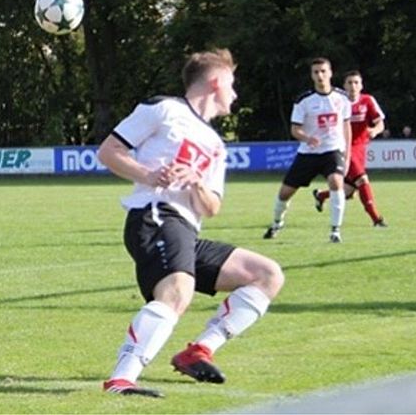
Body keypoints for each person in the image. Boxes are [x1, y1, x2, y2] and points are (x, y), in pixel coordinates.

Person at [96, 48, 284, 398]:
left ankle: (198, 350)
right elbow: (108, 151)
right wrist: (150, 175)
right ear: (215, 82)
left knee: (268, 274)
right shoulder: (163, 109)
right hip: (154, 215)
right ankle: (122, 379)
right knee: (177, 291)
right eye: (232, 84)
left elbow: (211, 207)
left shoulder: (215, 145)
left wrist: (197, 180)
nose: (236, 93)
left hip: (187, 229)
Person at [263, 57, 352, 243]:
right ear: (312, 75)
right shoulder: (303, 101)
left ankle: (335, 231)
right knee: (285, 193)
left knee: (336, 183)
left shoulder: (342, 98)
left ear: (330, 73)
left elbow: (346, 127)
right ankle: (277, 222)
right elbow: (295, 130)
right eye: (316, 72)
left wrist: (347, 153)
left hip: (332, 150)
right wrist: (307, 138)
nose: (320, 75)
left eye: (323, 71)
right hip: (308, 153)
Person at [313, 70, 387, 227]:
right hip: (344, 147)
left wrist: (374, 130)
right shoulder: (338, 102)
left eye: (356, 82)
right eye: (349, 83)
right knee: (362, 180)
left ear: (361, 85)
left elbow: (380, 122)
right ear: (344, 86)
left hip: (361, 148)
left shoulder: (368, 100)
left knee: (348, 189)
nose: (353, 86)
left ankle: (321, 195)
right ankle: (376, 219)